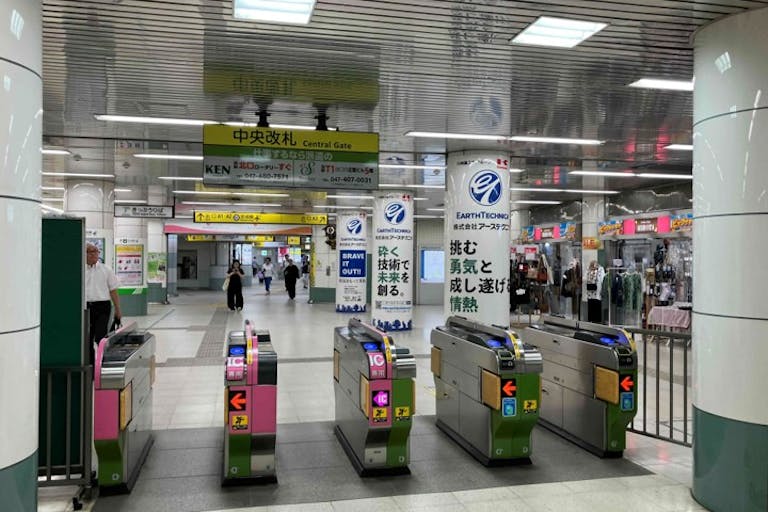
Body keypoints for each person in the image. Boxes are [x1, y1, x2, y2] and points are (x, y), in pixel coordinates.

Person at [85, 243, 122, 363]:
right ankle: (91, 367)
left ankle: (102, 363)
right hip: (85, 308)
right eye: (90, 251)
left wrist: (118, 310)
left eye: (96, 251)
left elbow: (113, 290)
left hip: (102, 306)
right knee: (87, 339)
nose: (94, 254)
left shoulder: (106, 270)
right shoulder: (79, 269)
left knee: (101, 337)